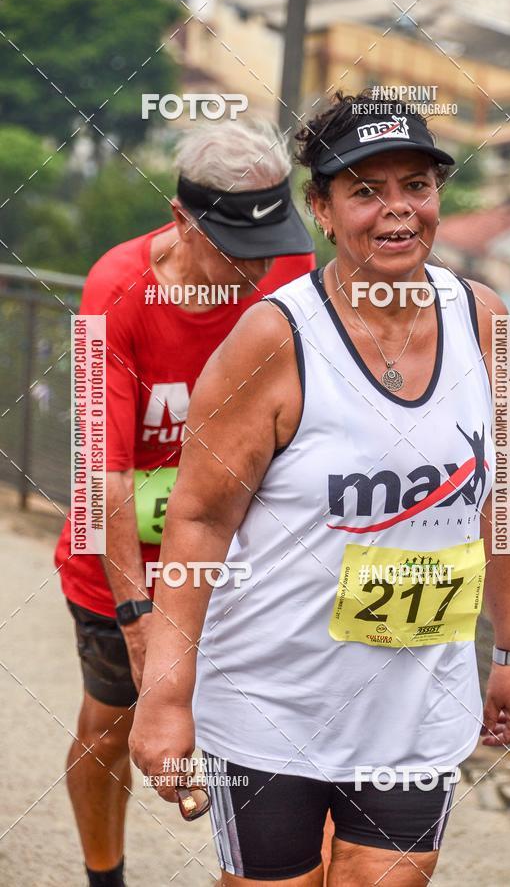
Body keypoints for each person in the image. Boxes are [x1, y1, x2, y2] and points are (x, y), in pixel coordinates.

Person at [129, 91, 510, 886]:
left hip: (416, 703)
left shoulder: (487, 321)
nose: (397, 209)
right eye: (365, 192)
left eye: (416, 186)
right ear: (319, 208)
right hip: (274, 702)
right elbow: (198, 519)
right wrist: (166, 693)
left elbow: (505, 489)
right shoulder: (272, 338)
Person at [55, 117, 315, 887]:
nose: (256, 268)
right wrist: (139, 619)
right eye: (236, 248)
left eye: (267, 245)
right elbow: (102, 472)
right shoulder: (113, 290)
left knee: (280, 734)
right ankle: (105, 877)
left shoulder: (288, 261)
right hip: (124, 558)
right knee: (111, 727)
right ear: (180, 218)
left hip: (239, 555)